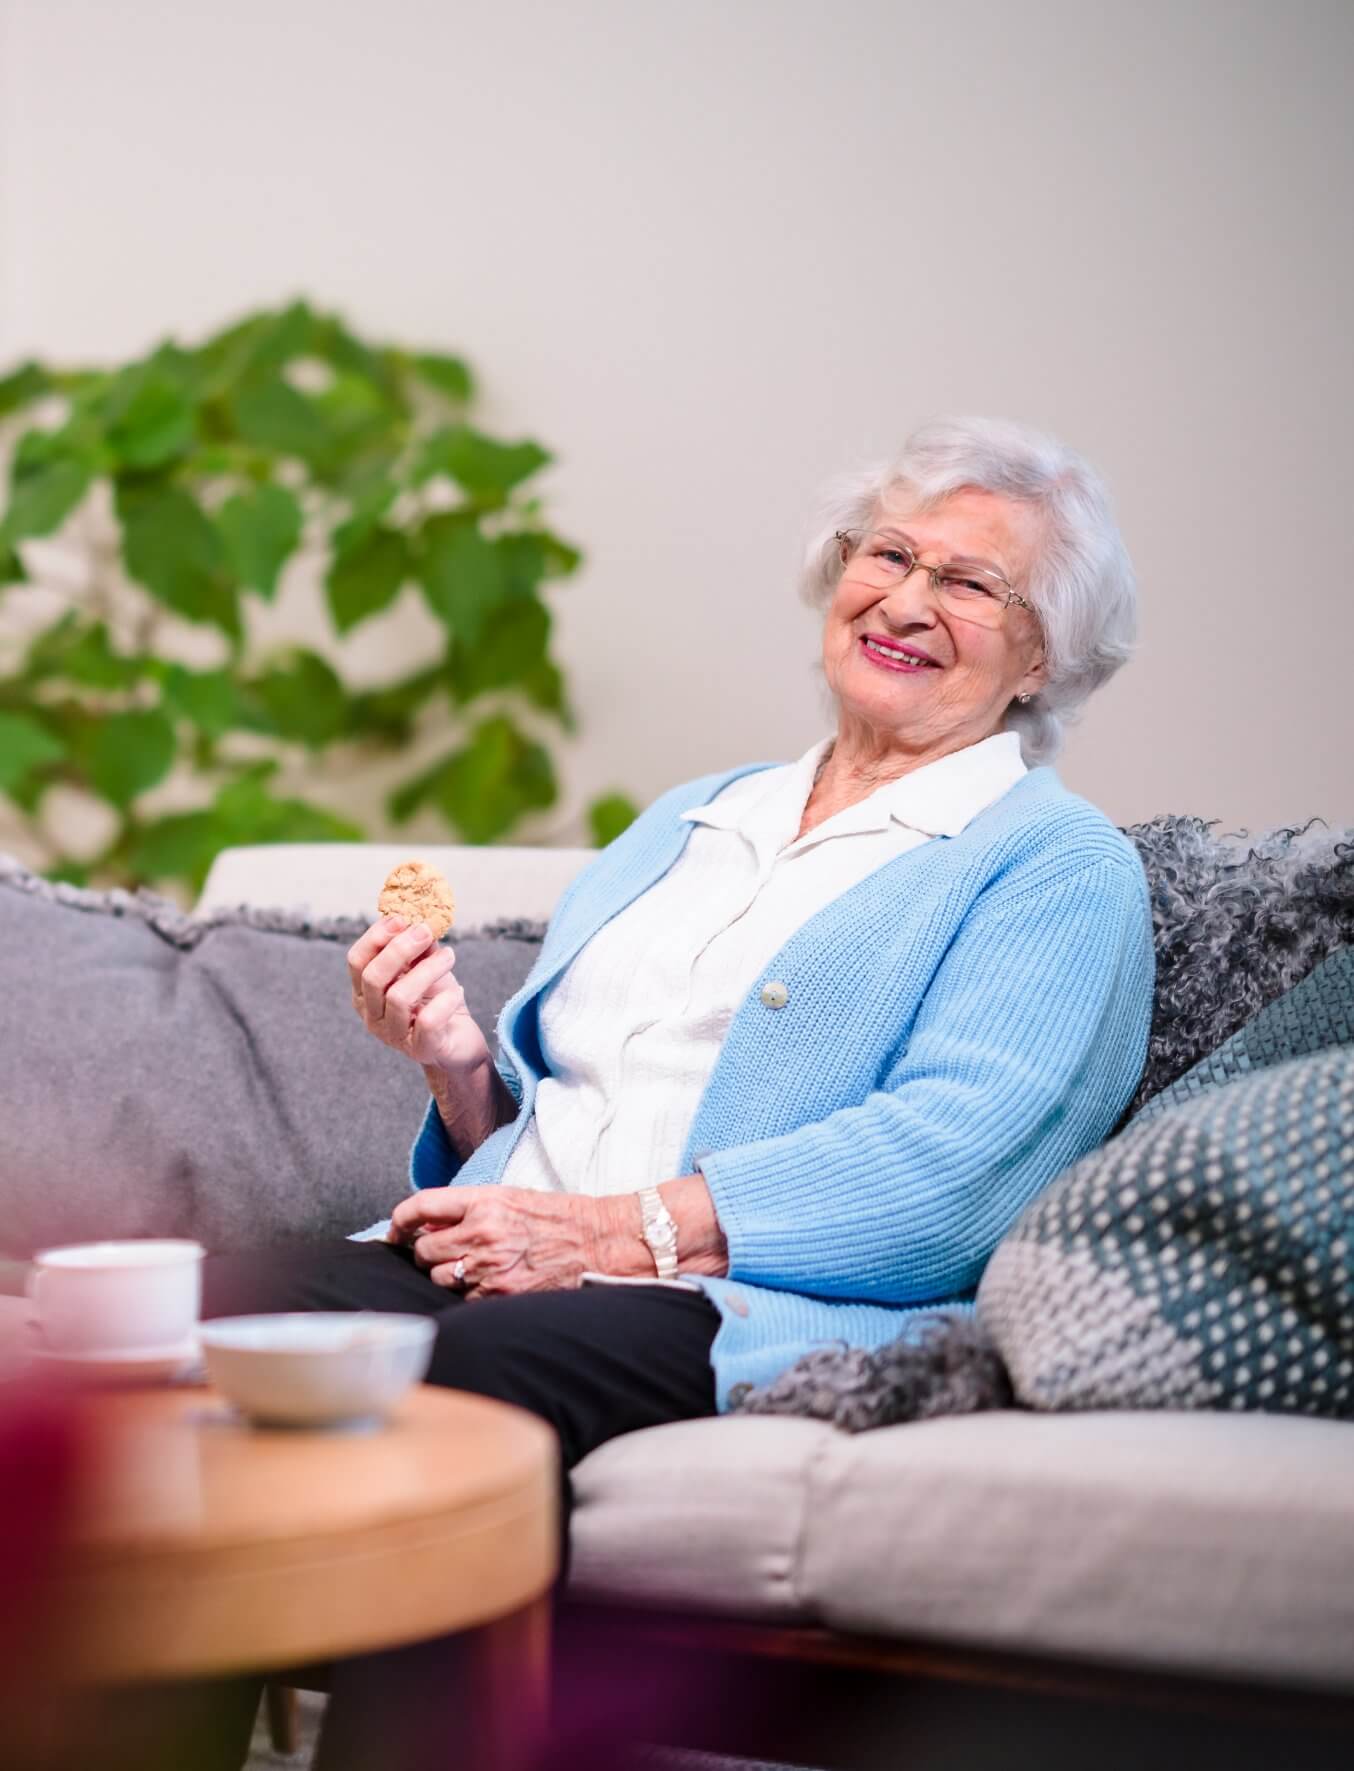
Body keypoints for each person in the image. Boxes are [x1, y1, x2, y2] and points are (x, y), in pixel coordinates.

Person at [204, 413, 1154, 1526]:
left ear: (1041, 655)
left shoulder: (1055, 864)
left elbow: (957, 1173)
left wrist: (607, 1234)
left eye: (970, 584)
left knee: (473, 1379)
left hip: (736, 1305)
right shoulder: (692, 816)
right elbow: (571, 1118)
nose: (905, 601)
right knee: (210, 1317)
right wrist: (457, 1064)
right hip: (514, 1269)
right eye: (889, 555)